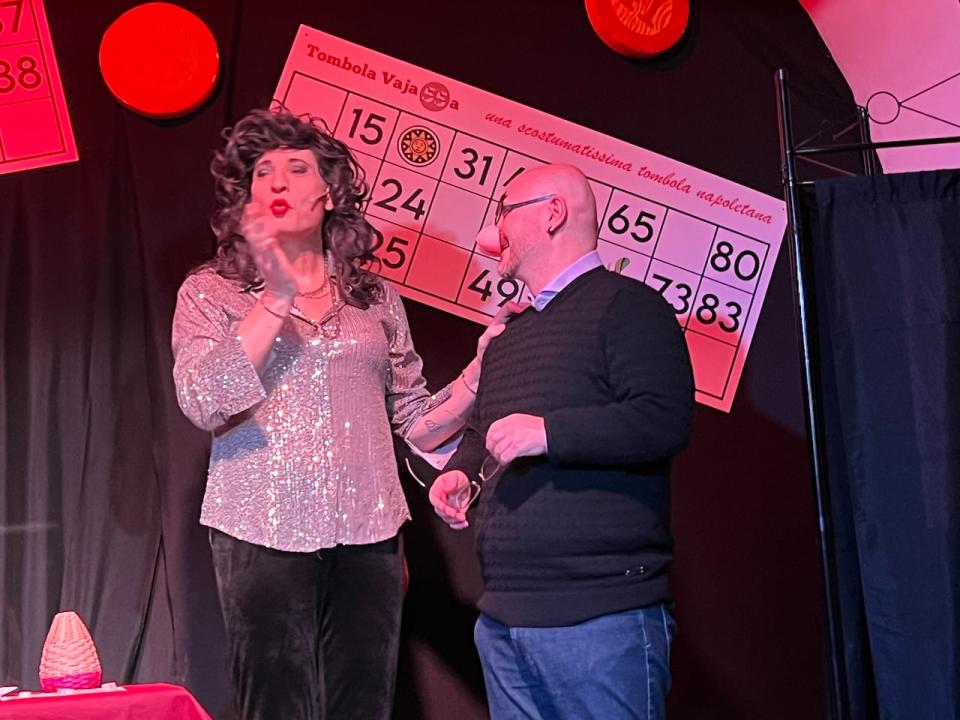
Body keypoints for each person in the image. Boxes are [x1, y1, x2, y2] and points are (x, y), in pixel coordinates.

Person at [171, 108, 498, 720]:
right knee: (276, 704)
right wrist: (276, 294)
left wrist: (477, 374)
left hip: (369, 530)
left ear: (328, 193)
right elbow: (203, 399)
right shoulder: (210, 293)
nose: (277, 181)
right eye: (263, 172)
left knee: (365, 704)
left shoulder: (375, 298)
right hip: (259, 527)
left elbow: (413, 415)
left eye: (296, 168)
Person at [429, 164, 694, 719]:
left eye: (504, 211)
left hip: (599, 618)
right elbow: (487, 430)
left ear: (552, 214)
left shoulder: (629, 307)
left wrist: (549, 433)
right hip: (504, 616)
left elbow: (663, 418)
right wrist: (462, 471)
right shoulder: (508, 333)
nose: (493, 230)